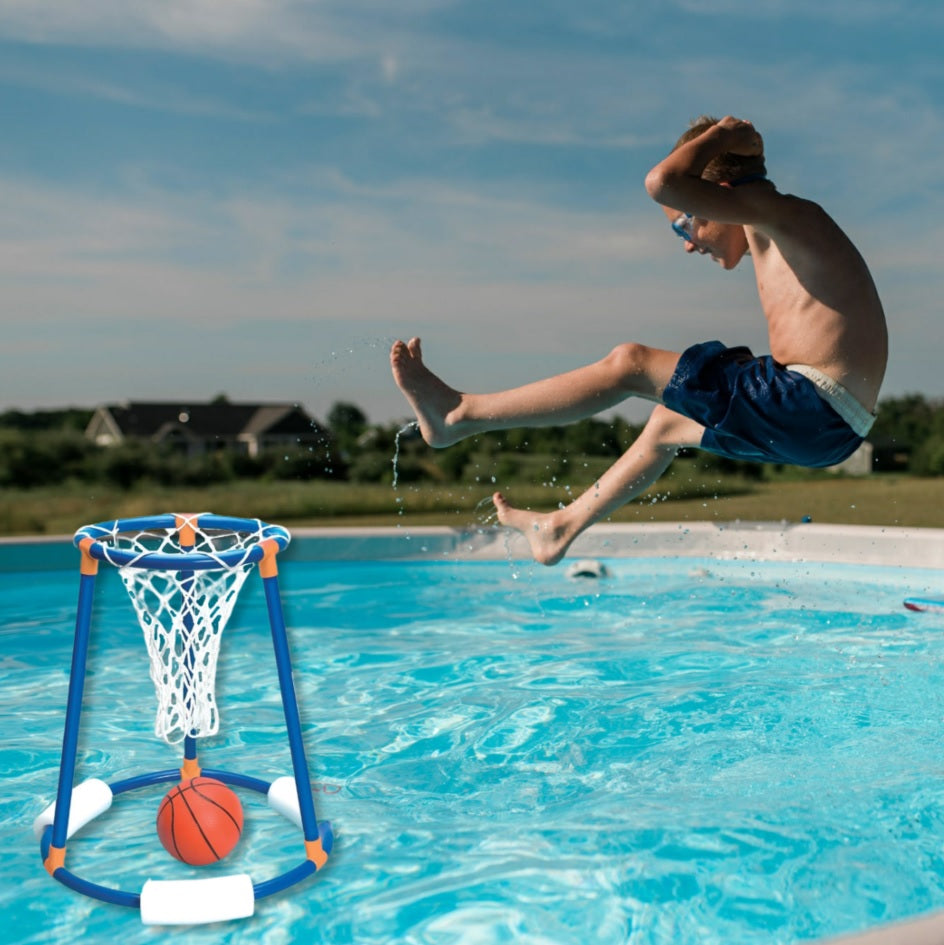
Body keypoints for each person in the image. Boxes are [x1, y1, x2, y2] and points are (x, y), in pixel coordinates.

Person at [390, 115, 887, 565]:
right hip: (834, 428)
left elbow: (662, 182)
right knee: (668, 422)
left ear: (722, 193)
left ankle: (459, 414)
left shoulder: (770, 210)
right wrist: (735, 154)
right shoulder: (777, 218)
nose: (689, 242)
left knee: (630, 363)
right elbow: (704, 182)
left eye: (686, 223)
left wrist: (722, 137)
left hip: (808, 402)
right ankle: (560, 528)